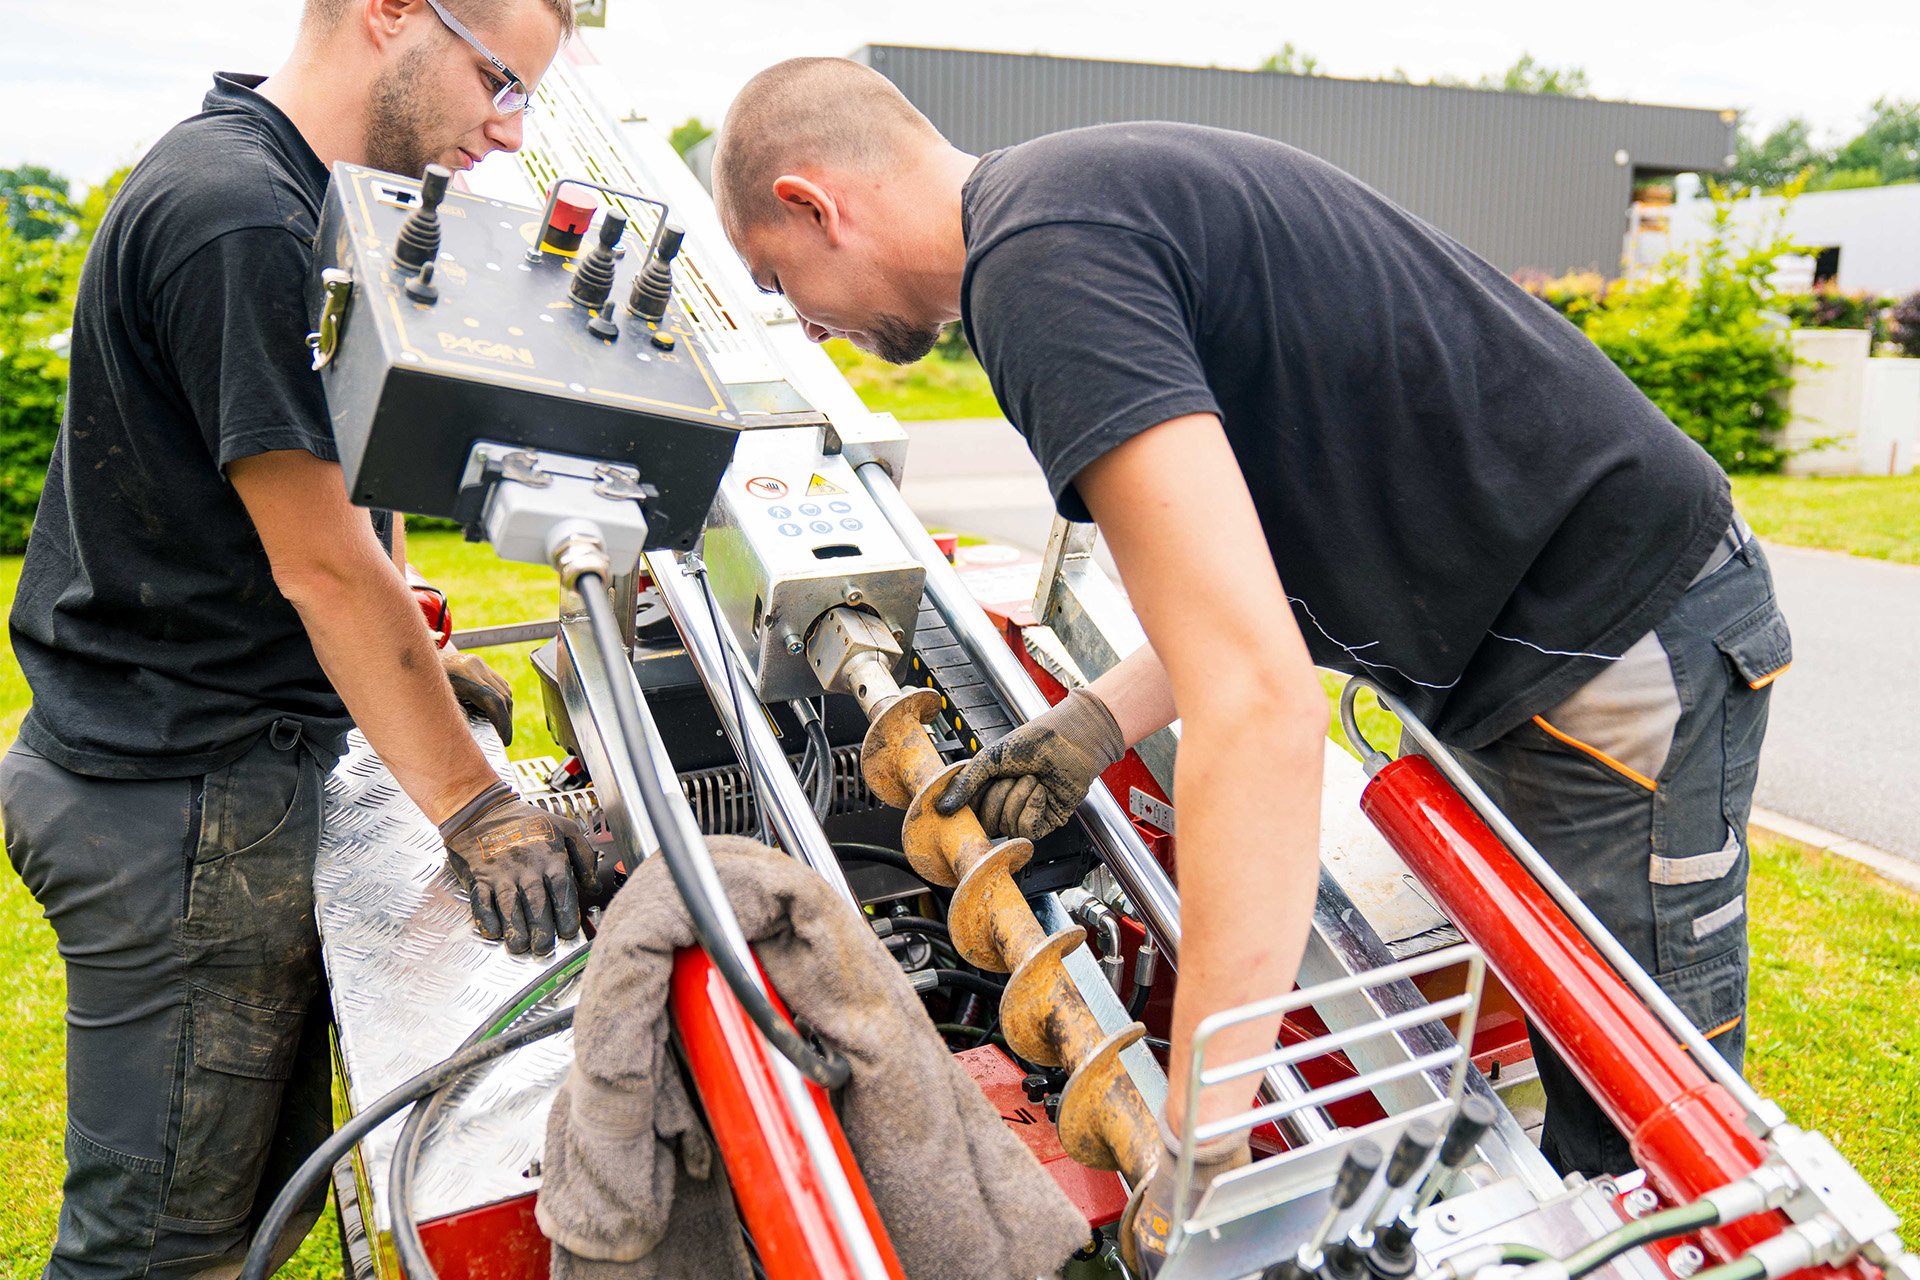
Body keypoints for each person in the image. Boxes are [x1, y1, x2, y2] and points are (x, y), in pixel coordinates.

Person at [708, 57, 1789, 1271]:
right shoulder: (1067, 214)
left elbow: (1260, 705)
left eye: (776, 279)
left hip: (1623, 638)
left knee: (1648, 1124)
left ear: (813, 204)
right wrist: (1096, 721)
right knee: (1572, 1026)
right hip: (1536, 637)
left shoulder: (1041, 270)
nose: (804, 322)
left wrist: (1204, 1132)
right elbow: (1250, 570)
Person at [0, 1, 598, 1274]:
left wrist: (413, 636)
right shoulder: (242, 220)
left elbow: (342, 470)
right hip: (173, 799)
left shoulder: (306, 195)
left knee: (245, 1213)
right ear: (391, 12)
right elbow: (319, 563)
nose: (509, 129)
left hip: (211, 767)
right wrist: (479, 806)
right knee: (157, 1251)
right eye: (499, 80)